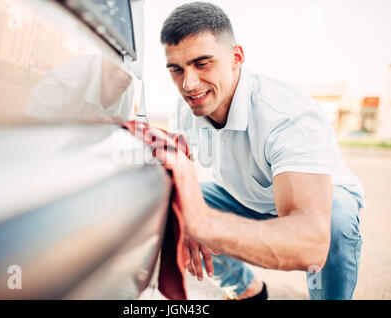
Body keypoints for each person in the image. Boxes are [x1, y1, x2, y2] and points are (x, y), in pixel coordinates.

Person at [156, 2, 364, 300]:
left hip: (319, 203)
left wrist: (204, 223)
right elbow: (181, 174)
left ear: (236, 57)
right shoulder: (184, 108)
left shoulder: (285, 114)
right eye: (176, 69)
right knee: (168, 203)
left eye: (203, 64)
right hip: (245, 199)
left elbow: (311, 242)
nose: (188, 84)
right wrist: (181, 213)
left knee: (335, 220)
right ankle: (248, 292)